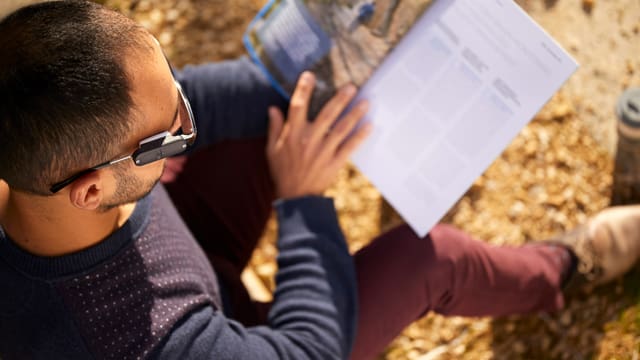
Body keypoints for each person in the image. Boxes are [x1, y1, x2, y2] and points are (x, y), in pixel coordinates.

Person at [0, 1, 639, 359]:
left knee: (281, 109)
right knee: (432, 257)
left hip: (188, 254)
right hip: (240, 341)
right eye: (173, 127)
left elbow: (201, 98)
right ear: (90, 189)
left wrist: (329, 77)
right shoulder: (141, 346)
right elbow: (305, 352)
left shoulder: (46, 168)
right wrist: (305, 201)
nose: (188, 109)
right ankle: (563, 269)